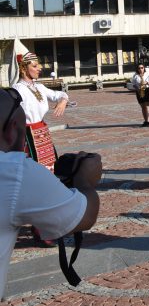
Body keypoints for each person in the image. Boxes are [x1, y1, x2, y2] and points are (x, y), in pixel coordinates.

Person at [1, 87, 102, 300]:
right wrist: (84, 179)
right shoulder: (14, 172)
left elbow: (59, 96)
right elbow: (85, 216)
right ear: (12, 131)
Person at [9, 40, 69, 171]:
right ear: (24, 68)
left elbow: (59, 95)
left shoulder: (39, 87)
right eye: (35, 66)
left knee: (50, 165)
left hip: (42, 131)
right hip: (27, 135)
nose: (39, 68)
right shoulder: (17, 89)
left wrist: (63, 101)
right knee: (34, 168)